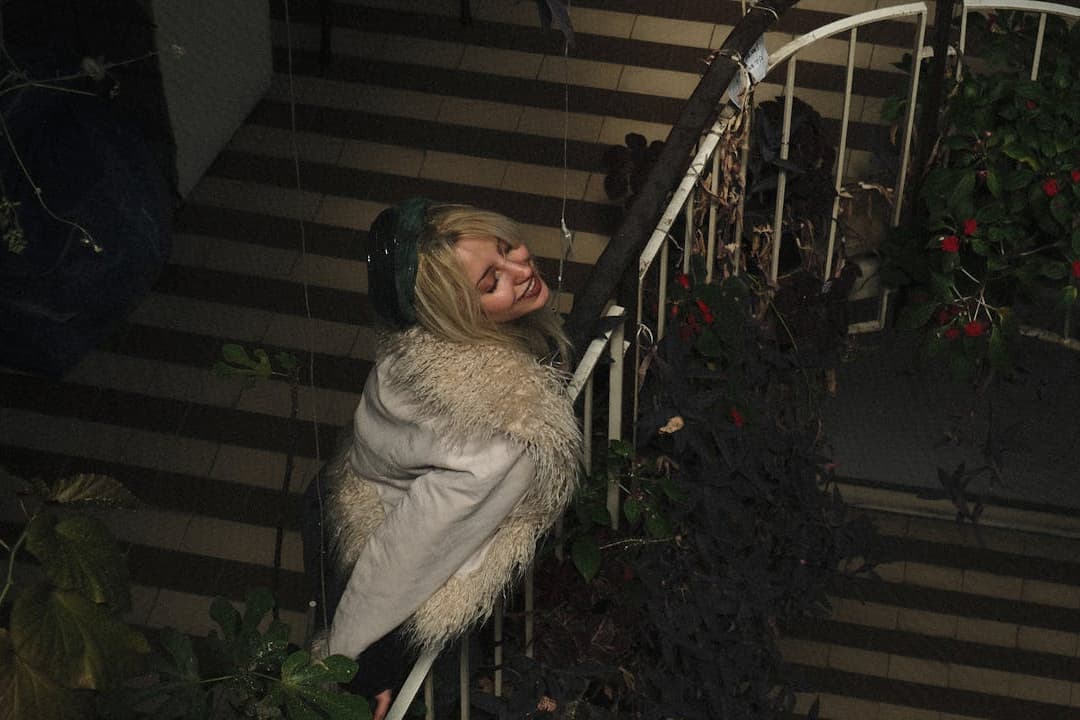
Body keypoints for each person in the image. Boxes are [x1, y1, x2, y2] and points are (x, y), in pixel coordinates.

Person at [303, 197, 582, 719]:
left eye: (506, 248)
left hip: (345, 494)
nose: (523, 270)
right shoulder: (503, 438)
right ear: (455, 315)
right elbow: (406, 554)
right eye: (490, 281)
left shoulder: (421, 345)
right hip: (394, 589)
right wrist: (352, 666)